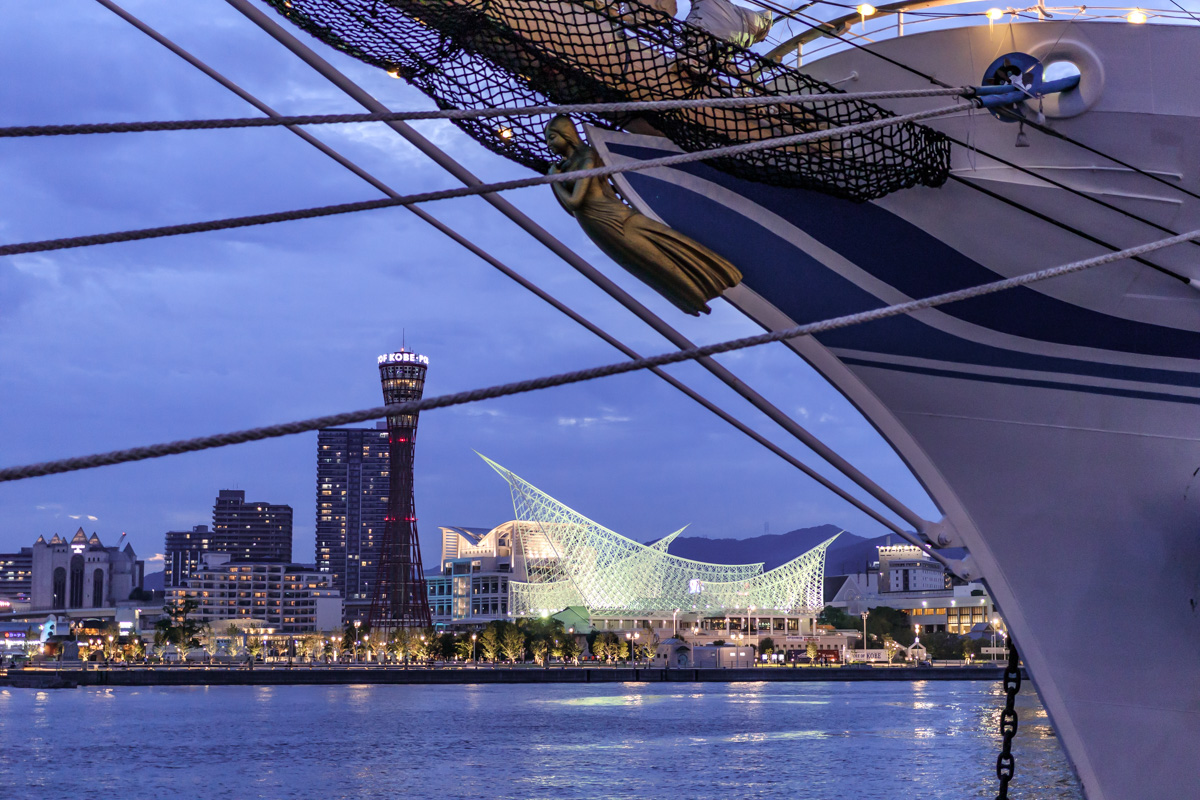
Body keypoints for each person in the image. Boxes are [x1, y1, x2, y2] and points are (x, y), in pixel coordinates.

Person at [545, 115, 742, 315]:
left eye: (552, 137)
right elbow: (571, 210)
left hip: (615, 219)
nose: (549, 144)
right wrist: (557, 179)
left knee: (659, 258)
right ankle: (693, 299)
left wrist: (554, 179)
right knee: (641, 264)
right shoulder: (566, 167)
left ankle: (711, 282)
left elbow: (574, 201)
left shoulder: (587, 157)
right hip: (596, 225)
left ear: (566, 134)